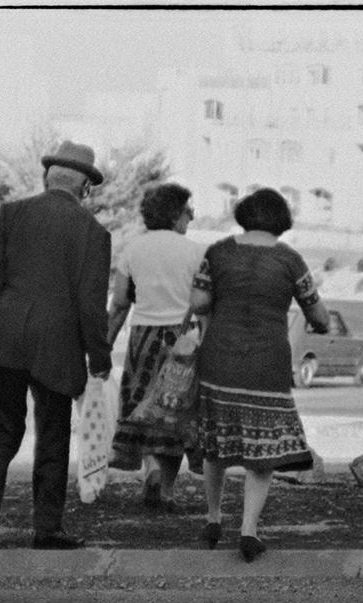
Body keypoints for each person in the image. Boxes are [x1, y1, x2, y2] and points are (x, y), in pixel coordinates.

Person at [0, 140, 112, 550]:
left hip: (4, 337)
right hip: (57, 347)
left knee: (3, 431)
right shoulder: (94, 233)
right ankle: (47, 528)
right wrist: (100, 357)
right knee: (52, 436)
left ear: (47, 177)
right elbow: (91, 306)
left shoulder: (12, 214)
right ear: (85, 188)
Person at [188, 188, 330, 562]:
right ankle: (249, 529)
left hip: (219, 355)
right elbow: (319, 316)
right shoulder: (291, 260)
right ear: (281, 221)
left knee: (215, 443)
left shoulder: (217, 252)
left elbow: (199, 302)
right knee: (262, 452)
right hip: (266, 362)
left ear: (244, 214)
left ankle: (214, 517)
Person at [106, 183, 207, 512]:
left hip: (144, 339)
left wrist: (104, 345)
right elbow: (205, 304)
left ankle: (150, 470)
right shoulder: (195, 252)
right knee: (175, 413)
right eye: (188, 213)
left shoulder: (134, 249)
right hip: (185, 339)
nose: (190, 220)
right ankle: (165, 491)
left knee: (143, 408)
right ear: (176, 214)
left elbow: (120, 303)